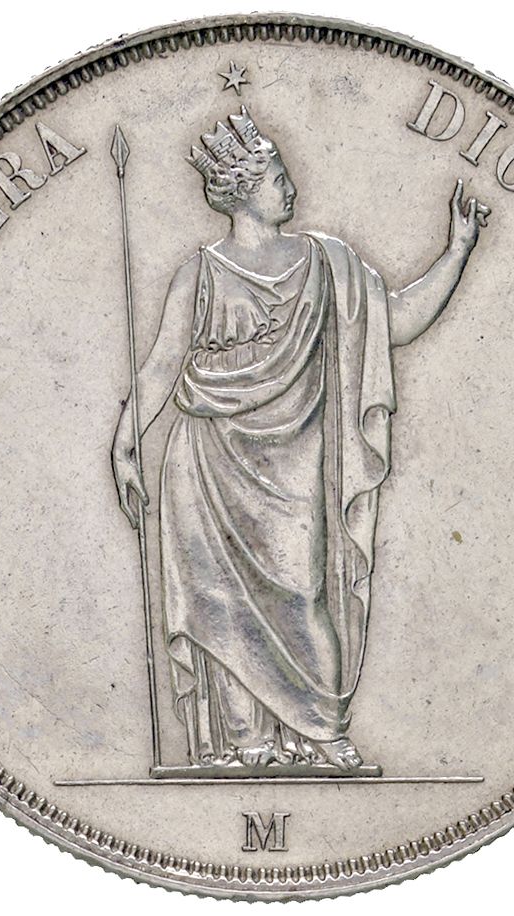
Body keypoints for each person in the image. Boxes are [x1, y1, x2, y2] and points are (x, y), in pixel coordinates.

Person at [112, 107, 489, 771]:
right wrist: (123, 444)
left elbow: (396, 322)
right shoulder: (199, 274)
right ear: (242, 189)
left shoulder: (329, 264)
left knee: (306, 591)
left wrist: (456, 252)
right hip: (206, 467)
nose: (290, 186)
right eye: (277, 176)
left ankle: (320, 729)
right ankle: (245, 744)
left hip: (295, 469)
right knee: (217, 606)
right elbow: (162, 366)